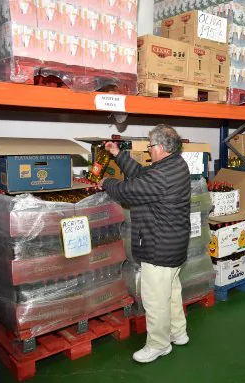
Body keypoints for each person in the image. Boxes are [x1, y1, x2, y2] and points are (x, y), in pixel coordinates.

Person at [98, 125, 191, 363]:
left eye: (150, 146)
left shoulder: (162, 175)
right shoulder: (175, 165)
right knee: (170, 291)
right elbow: (143, 176)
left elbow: (129, 191)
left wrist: (106, 183)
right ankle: (178, 333)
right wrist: (119, 155)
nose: (149, 150)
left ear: (159, 147)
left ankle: (158, 344)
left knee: (155, 299)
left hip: (159, 246)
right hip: (173, 244)